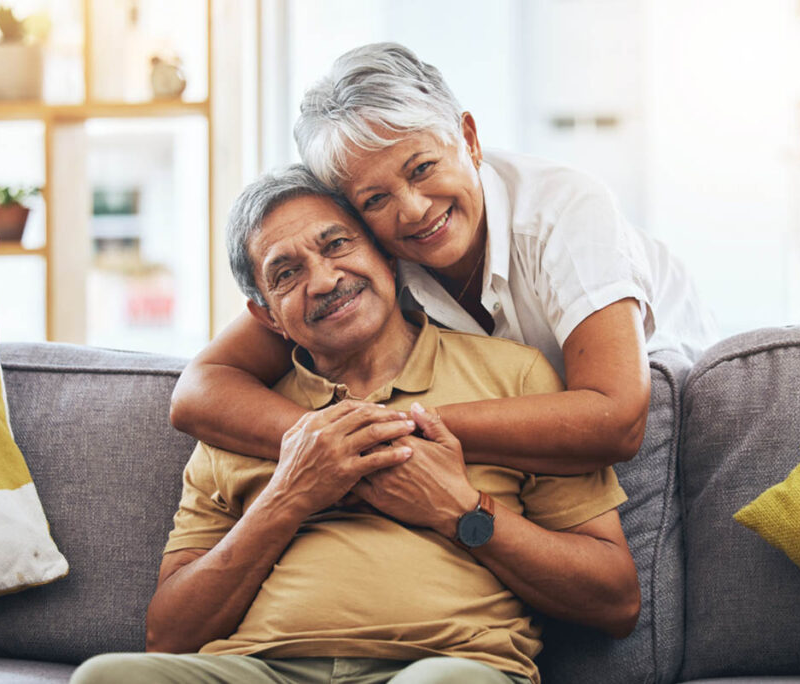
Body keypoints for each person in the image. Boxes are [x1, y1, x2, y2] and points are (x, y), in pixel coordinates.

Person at [71, 167, 639, 684]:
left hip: (442, 668)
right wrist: (289, 495)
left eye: (336, 244)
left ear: (389, 258)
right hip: (259, 670)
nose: (322, 281)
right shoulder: (241, 419)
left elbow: (615, 600)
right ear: (268, 316)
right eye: (287, 273)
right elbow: (167, 636)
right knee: (105, 678)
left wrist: (461, 510)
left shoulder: (514, 377)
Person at [170, 43, 718, 475]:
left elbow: (618, 419)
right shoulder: (365, 258)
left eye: (423, 167)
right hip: (505, 453)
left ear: (469, 138)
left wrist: (392, 428)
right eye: (375, 200)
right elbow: (200, 391)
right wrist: (330, 441)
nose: (412, 211)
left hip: (676, 434)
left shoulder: (565, 209)